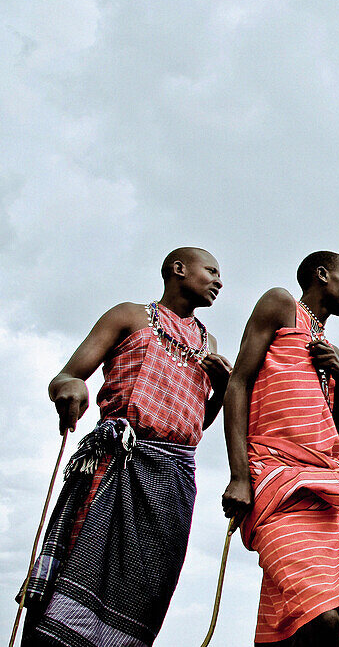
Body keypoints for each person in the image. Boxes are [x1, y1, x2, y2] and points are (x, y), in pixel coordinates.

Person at [19, 248, 231, 646]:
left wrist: (220, 389)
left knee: (147, 584)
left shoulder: (209, 342)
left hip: (174, 480)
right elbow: (68, 375)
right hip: (120, 462)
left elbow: (197, 422)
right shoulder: (130, 315)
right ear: (178, 269)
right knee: (78, 563)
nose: (219, 281)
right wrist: (69, 389)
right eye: (212, 271)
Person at [221, 251, 339, 646]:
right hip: (274, 482)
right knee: (320, 616)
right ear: (322, 275)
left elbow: (329, 437)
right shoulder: (281, 305)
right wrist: (239, 476)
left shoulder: (326, 347)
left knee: (307, 616)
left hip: (324, 492)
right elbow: (238, 383)